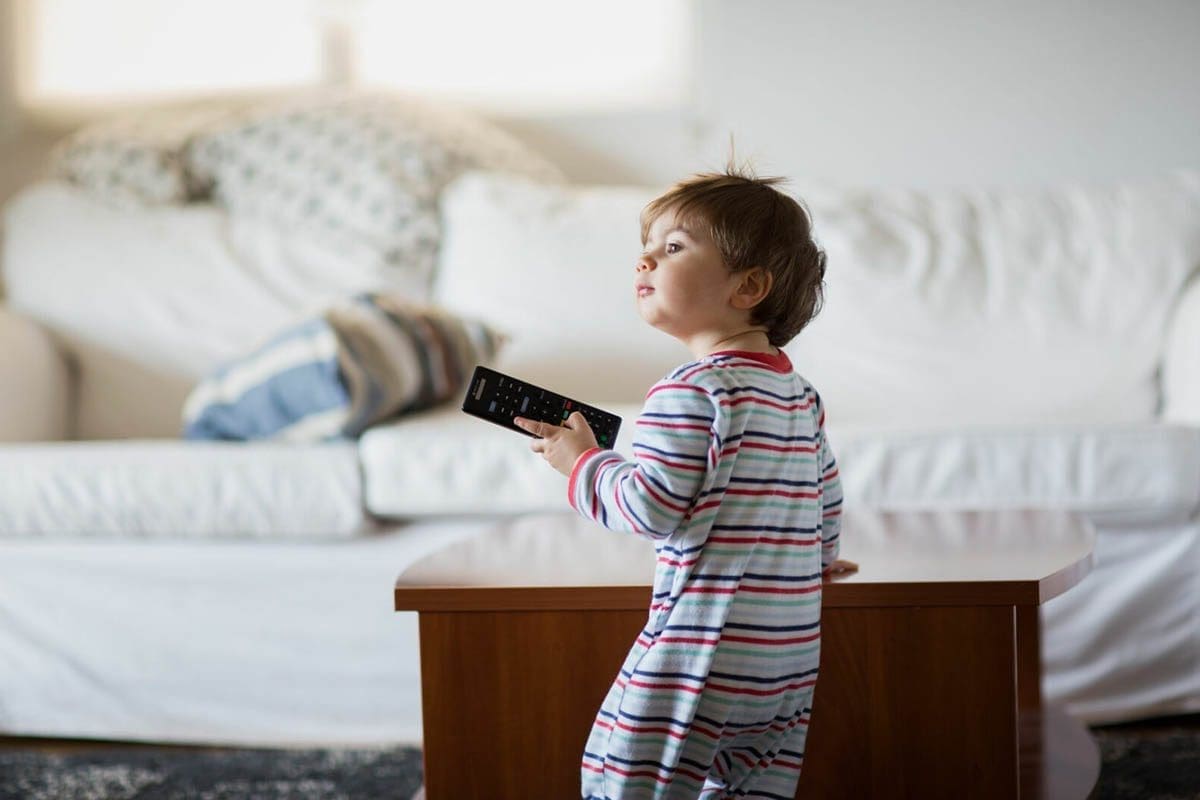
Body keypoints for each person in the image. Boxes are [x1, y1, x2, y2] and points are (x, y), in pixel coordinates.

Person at [515, 167, 856, 799]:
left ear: (748, 286)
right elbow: (825, 497)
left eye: (673, 247)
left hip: (699, 651)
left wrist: (581, 462)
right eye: (647, 247)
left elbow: (649, 507)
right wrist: (820, 559)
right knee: (748, 788)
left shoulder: (689, 388)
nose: (644, 259)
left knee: (622, 776)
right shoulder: (798, 394)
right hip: (786, 656)